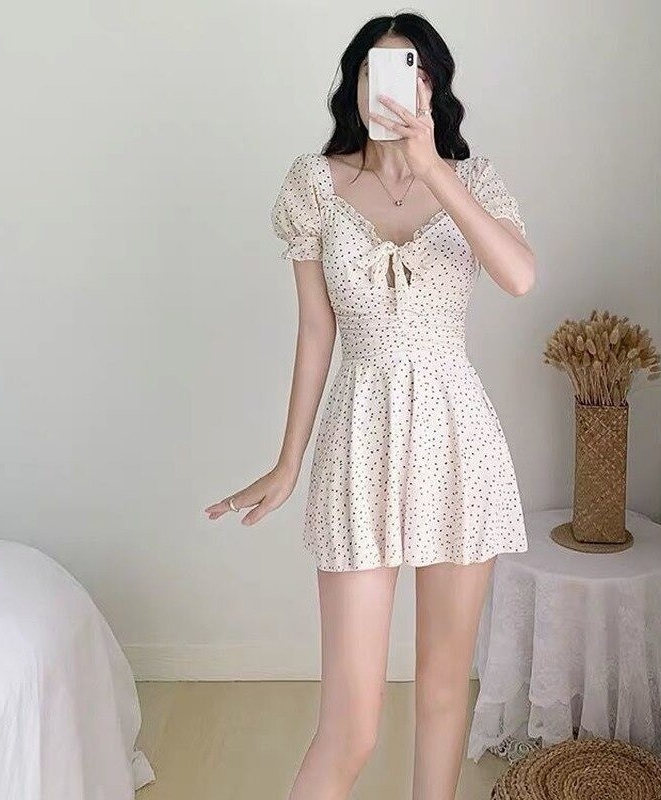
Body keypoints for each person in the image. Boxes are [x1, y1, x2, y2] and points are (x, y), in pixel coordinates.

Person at [204, 11, 536, 800]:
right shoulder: (314, 185)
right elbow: (316, 331)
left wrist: (433, 168)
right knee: (350, 726)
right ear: (354, 84)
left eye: (409, 66)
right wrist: (288, 462)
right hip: (358, 442)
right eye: (371, 68)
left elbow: (520, 277)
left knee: (444, 691)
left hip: (457, 441)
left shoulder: (474, 179)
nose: (389, 82)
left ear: (432, 85)